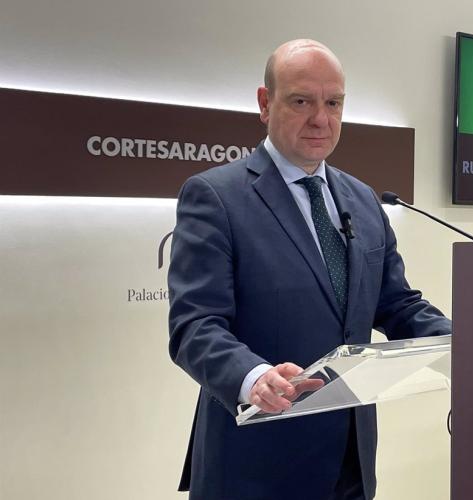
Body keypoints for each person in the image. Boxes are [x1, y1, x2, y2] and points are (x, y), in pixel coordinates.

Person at [167, 39, 451, 500]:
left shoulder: (363, 199)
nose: (321, 118)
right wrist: (253, 377)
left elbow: (396, 303)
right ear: (265, 103)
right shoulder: (215, 197)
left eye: (333, 103)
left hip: (350, 461)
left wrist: (464, 341)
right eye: (301, 101)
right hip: (257, 461)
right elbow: (194, 326)